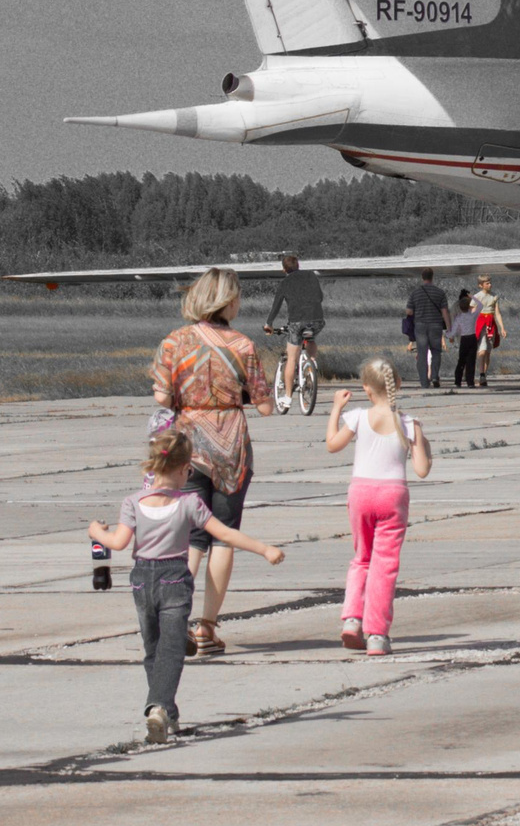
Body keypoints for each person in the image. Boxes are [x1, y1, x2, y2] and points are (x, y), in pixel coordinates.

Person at [88, 427, 285, 742]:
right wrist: (264, 549)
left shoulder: (132, 502)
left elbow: (118, 542)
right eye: (189, 472)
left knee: (154, 649)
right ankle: (159, 708)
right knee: (171, 649)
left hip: (142, 581)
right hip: (175, 581)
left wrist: (96, 532)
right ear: (183, 469)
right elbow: (225, 534)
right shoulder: (190, 503)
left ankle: (167, 712)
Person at [150, 268, 273, 658]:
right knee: (224, 535)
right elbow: (265, 405)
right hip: (232, 449)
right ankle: (206, 627)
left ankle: (177, 619)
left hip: (188, 446)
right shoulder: (244, 345)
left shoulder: (174, 341)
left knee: (191, 537)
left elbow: (161, 397)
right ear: (228, 301)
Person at [324, 359, 431, 657]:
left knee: (362, 558)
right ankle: (377, 635)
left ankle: (352, 619)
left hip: (361, 493)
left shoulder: (357, 417)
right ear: (398, 384)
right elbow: (422, 469)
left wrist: (336, 409)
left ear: (367, 389)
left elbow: (332, 444)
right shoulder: (409, 423)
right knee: (385, 565)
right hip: (392, 495)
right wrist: (424, 444)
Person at [263, 254, 324, 408]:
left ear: (284, 269)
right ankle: (312, 363)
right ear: (298, 265)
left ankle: (288, 397)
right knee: (310, 338)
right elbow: (320, 297)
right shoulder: (311, 275)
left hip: (297, 322)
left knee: (291, 358)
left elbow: (276, 305)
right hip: (317, 320)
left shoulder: (285, 282)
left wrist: (269, 323)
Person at [404, 268, 450, 389]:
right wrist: (449, 327)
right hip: (436, 325)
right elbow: (445, 312)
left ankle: (424, 382)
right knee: (436, 352)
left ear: (422, 277)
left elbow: (409, 311)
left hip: (420, 326)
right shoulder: (440, 293)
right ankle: (434, 376)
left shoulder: (415, 293)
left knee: (422, 353)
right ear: (432, 277)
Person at [472, 276, 504, 387]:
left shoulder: (494, 296)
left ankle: (483, 376)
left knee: (488, 351)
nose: (490, 285)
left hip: (491, 324)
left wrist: (502, 328)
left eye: (490, 283)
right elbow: (472, 313)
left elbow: (497, 313)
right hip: (481, 323)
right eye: (487, 283)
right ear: (481, 285)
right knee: (482, 349)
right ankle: (481, 374)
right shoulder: (477, 297)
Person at [450, 290, 480, 389]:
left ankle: (458, 381)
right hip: (472, 338)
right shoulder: (473, 315)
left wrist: (450, 335)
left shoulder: (458, 317)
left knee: (461, 360)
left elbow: (453, 327)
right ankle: (470, 382)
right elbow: (480, 305)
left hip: (463, 338)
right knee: (471, 360)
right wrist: (473, 297)